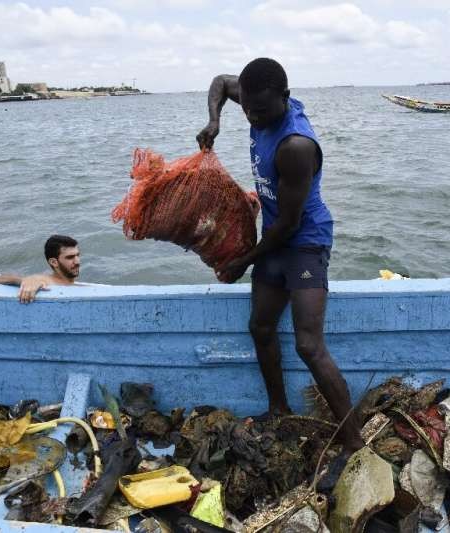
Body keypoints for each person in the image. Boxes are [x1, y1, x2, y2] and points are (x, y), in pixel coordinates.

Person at [196, 58, 365, 489]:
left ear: (285, 99)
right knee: (261, 326)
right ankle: (278, 409)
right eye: (247, 109)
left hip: (303, 239)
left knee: (309, 345)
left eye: (262, 112)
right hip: (273, 235)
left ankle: (352, 443)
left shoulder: (295, 146)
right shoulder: (253, 96)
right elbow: (220, 80)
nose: (253, 117)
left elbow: (289, 225)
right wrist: (215, 121)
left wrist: (243, 260)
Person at [0, 234, 81, 303]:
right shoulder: (45, 281)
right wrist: (24, 281)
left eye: (77, 255)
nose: (77, 262)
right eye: (70, 257)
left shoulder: (75, 285)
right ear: (54, 262)